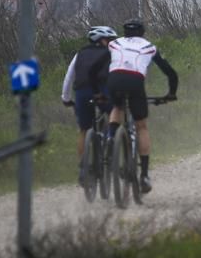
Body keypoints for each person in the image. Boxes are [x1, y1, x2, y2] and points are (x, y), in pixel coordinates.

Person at [89, 19, 179, 195]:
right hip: (135, 82)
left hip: (114, 81)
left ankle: (111, 137)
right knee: (141, 126)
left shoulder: (115, 44)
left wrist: (97, 92)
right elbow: (170, 73)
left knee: (118, 107)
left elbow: (93, 70)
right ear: (143, 32)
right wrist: (171, 93)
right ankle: (144, 175)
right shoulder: (149, 47)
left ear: (124, 32)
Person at [62, 25, 117, 184]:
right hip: (102, 91)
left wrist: (66, 98)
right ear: (102, 40)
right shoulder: (110, 53)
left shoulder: (79, 54)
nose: (111, 43)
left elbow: (69, 77)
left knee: (84, 130)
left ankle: (83, 168)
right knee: (115, 113)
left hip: (81, 92)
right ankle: (110, 139)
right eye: (109, 40)